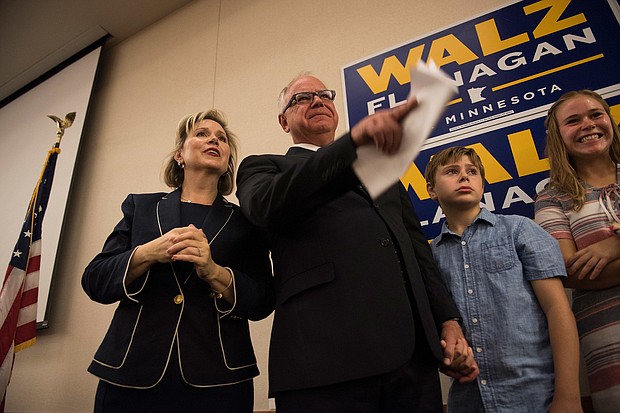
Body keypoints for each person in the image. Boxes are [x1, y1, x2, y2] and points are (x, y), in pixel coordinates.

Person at [235, 74, 478, 413]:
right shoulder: (263, 167)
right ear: (283, 121)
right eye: (302, 98)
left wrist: (448, 321)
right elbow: (265, 207)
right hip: (325, 366)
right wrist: (351, 146)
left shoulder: (382, 173)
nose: (318, 101)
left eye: (324, 95)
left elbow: (417, 251)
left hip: (412, 364)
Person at [82, 110, 275, 413]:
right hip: (130, 374)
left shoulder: (246, 222)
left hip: (220, 382)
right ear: (179, 155)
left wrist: (214, 272)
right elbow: (94, 280)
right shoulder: (140, 206)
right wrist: (147, 253)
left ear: (227, 163)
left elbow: (263, 300)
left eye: (222, 138)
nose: (214, 139)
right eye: (201, 133)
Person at [424, 146, 582, 413]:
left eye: (471, 172)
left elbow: (557, 309)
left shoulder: (519, 229)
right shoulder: (429, 257)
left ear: (483, 184)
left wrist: (569, 396)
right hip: (468, 401)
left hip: (535, 395)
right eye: (452, 171)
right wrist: (446, 360)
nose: (464, 177)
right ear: (431, 190)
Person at [534, 90, 620, 412]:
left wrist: (612, 246)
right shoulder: (551, 198)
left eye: (595, 114)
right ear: (558, 136)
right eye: (573, 120)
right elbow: (571, 272)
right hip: (610, 339)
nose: (588, 124)